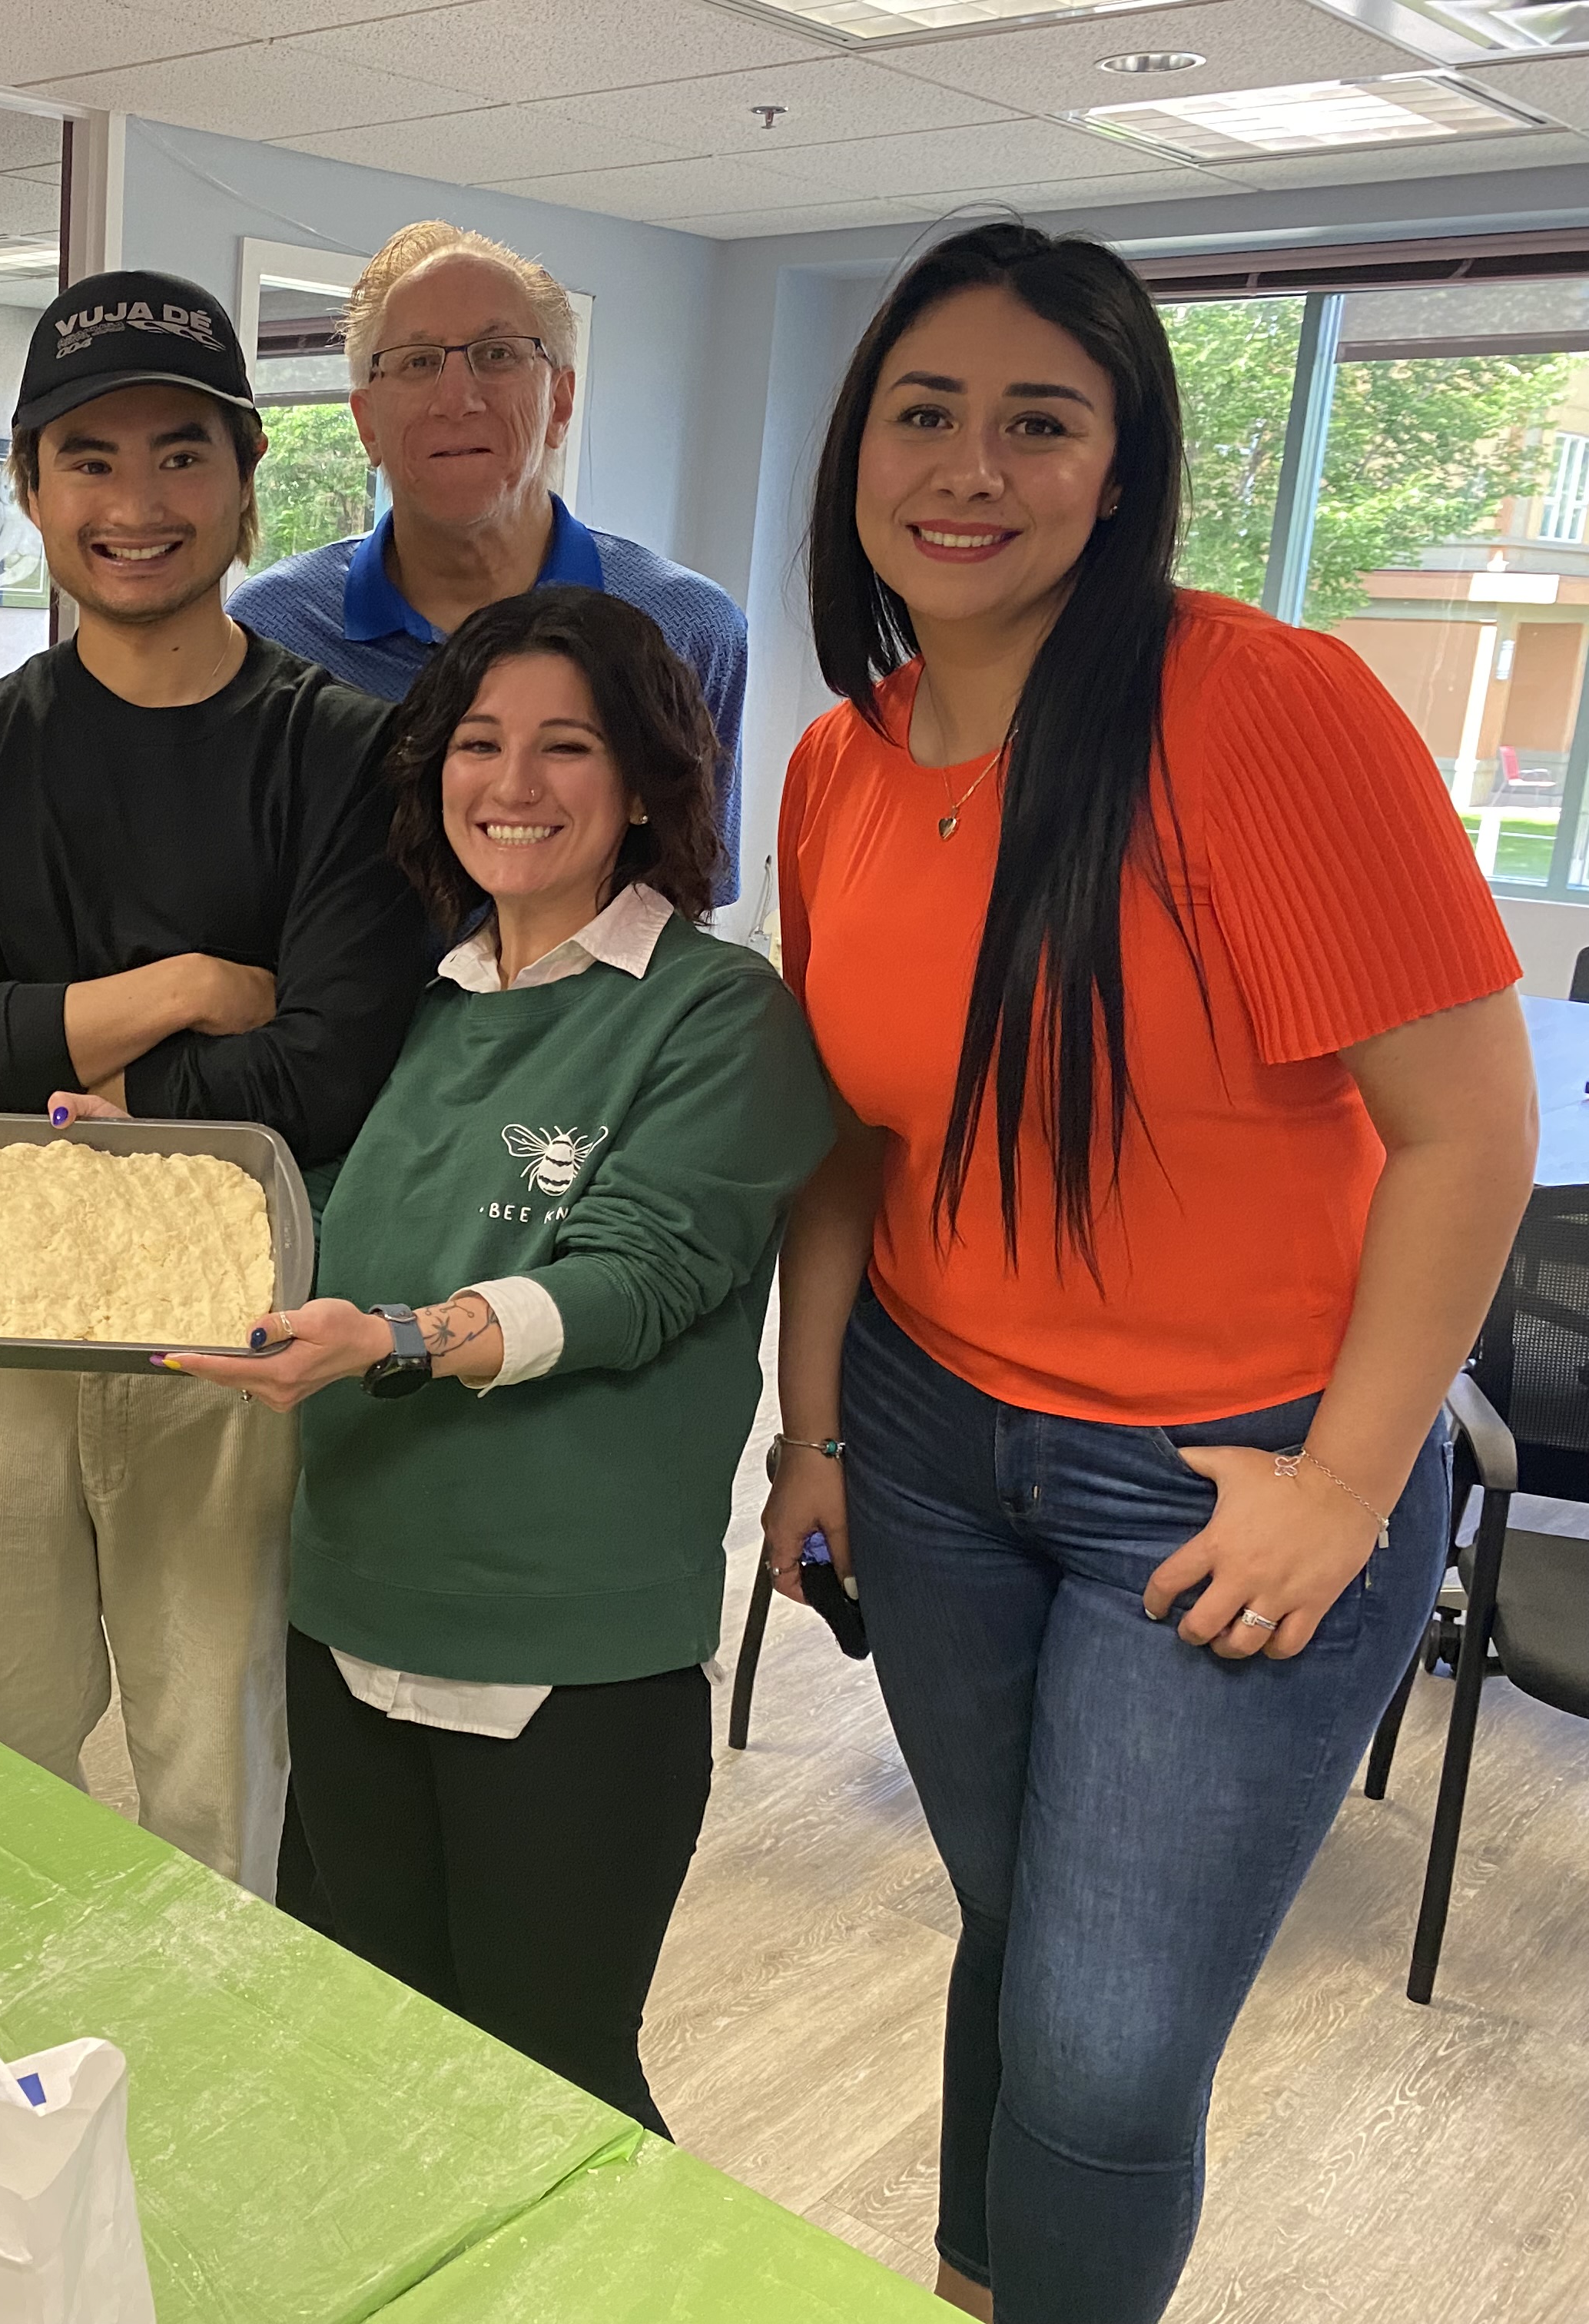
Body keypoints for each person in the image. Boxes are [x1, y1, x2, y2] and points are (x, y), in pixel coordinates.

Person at [762, 222, 1535, 2324]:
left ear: (1122, 470)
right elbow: (847, 1143)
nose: (972, 465)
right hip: (926, 1445)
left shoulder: (1261, 708)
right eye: (927, 411)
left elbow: (1474, 1132)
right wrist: (808, 1439)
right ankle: (968, 2286)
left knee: (1109, 2046)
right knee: (1017, 1928)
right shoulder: (844, 762)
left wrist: (1353, 1488)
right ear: (859, 452)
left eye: (1042, 420)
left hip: (1227, 1475)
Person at [171, 586, 830, 2131]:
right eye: (478, 744)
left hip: (566, 1662)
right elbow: (313, 1212)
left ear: (651, 780)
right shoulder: (418, 1009)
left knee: (556, 2098)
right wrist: (118, 1175)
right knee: (368, 2069)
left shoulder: (717, 1017)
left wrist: (402, 1340)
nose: (513, 786)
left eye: (564, 748)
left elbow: (642, 1276)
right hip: (347, 1614)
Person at [0, 272, 430, 1891]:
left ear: (249, 483)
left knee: (219, 1768)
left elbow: (327, 1069)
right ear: (31, 489)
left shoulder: (347, 753)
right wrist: (186, 992)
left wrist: (65, 1056)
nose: (136, 504)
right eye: (88, 460)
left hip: (230, 1334)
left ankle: (206, 2116)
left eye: (182, 456)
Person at [230, 221, 745, 868]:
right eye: (417, 362)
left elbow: (691, 882)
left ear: (560, 404)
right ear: (366, 423)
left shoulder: (689, 628)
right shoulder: (271, 631)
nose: (457, 398)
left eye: (497, 354)